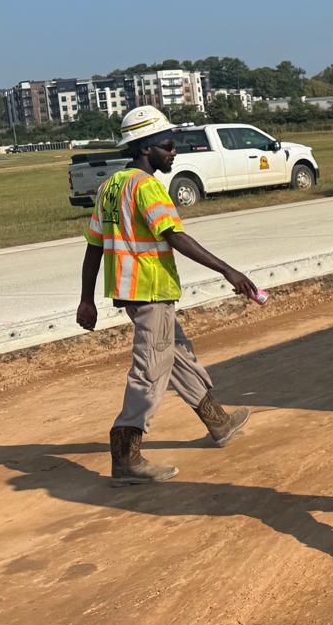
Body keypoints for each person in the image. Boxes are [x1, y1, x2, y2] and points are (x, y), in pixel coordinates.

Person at [76, 105, 261, 485]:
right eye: (168, 145)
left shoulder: (111, 186)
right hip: (150, 291)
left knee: (178, 355)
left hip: (131, 292)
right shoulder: (146, 186)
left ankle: (219, 422)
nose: (174, 152)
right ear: (146, 148)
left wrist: (87, 298)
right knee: (151, 370)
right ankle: (125, 457)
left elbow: (94, 246)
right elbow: (174, 235)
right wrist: (228, 270)